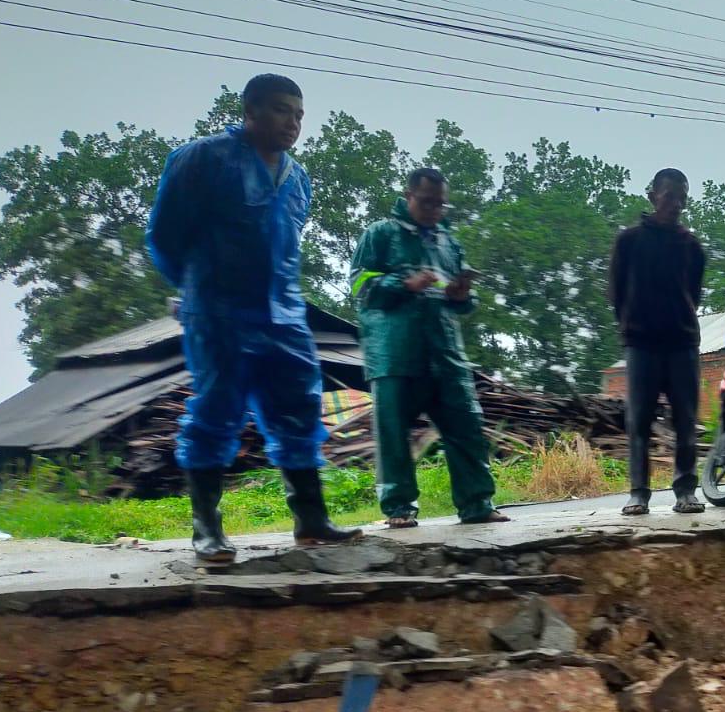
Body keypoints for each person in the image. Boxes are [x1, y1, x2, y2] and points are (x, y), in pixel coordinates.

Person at [146, 74, 361, 565]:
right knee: (216, 411)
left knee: (300, 410)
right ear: (251, 110)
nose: (293, 123)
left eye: (300, 115)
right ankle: (207, 528)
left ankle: (311, 520)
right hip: (219, 311)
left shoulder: (299, 177)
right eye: (283, 111)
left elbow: (288, 247)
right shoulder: (202, 158)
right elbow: (165, 235)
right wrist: (195, 290)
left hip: (284, 314)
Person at [350, 167, 507, 529]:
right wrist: (404, 282)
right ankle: (399, 507)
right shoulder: (381, 233)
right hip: (395, 353)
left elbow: (463, 303)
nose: (434, 209)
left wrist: (462, 295)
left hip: (446, 353)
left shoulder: (448, 241)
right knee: (393, 434)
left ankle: (477, 503)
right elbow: (360, 284)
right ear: (408, 196)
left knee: (466, 426)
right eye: (427, 201)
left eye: (441, 204)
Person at [608, 168, 707, 517]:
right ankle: (638, 493)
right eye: (668, 196)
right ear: (653, 196)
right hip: (642, 345)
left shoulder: (691, 246)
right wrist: (632, 327)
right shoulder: (629, 241)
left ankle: (685, 490)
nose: (675, 204)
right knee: (638, 421)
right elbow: (616, 292)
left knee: (685, 420)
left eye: (681, 197)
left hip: (682, 343)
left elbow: (692, 294)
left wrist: (678, 321)